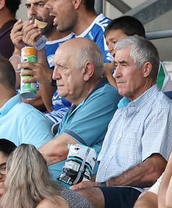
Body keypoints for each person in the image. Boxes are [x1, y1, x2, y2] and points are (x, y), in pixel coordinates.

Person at [75, 36, 172, 208]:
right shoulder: (121, 112)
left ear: (146, 69)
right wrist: (88, 183)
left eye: (123, 65)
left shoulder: (161, 109)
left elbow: (155, 169)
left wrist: (104, 185)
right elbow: (106, 168)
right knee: (60, 199)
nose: (116, 73)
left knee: (81, 201)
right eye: (115, 66)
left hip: (140, 195)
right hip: (112, 191)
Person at [39, 37, 123, 178]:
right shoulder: (78, 104)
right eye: (55, 68)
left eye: (62, 67)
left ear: (87, 70)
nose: (54, 75)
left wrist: (18, 165)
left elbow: (59, 151)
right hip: (58, 188)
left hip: (78, 193)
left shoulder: (106, 97)